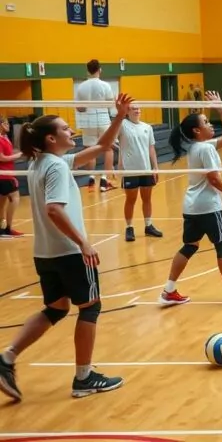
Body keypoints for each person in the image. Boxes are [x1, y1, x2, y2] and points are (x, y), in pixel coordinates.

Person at [0, 93, 132, 401]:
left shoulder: (43, 162)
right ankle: (84, 378)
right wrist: (83, 242)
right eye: (64, 128)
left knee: (56, 309)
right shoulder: (56, 167)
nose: (70, 129)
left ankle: (6, 357)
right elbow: (54, 210)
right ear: (51, 138)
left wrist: (119, 117)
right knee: (91, 306)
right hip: (68, 252)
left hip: (45, 253)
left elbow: (100, 148)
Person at [158, 92, 222, 307]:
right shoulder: (205, 148)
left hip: (191, 206)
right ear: (197, 130)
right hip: (209, 207)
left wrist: (219, 108)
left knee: (190, 246)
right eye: (205, 122)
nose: (210, 124)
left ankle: (169, 290)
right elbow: (213, 177)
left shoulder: (199, 146)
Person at [118, 105, 163, 242]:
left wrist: (155, 167)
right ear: (127, 111)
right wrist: (120, 163)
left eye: (138, 108)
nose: (137, 111)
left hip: (146, 169)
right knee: (131, 199)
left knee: (147, 198)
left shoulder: (147, 127)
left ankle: (148, 226)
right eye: (133, 108)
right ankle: (129, 228)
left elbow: (151, 148)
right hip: (130, 170)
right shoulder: (122, 125)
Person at [74, 60, 117, 192]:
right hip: (103, 119)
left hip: (88, 121)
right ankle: (105, 179)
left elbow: (80, 108)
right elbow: (111, 104)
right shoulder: (105, 85)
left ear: (87, 71)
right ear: (100, 69)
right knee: (108, 149)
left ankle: (91, 178)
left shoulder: (81, 87)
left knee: (90, 150)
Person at [0, 116, 24, 237]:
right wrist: (19, 155)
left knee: (2, 201)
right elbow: (2, 158)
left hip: (6, 174)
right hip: (4, 176)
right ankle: (8, 229)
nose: (8, 125)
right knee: (15, 198)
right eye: (5, 123)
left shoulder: (5, 138)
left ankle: (1, 229)